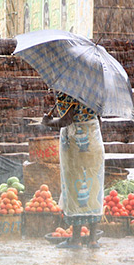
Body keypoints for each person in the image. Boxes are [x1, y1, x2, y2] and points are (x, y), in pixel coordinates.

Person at [42, 91, 104, 249]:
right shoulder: (94, 93)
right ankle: (93, 240)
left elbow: (66, 120)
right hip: (94, 140)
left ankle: (76, 239)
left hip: (76, 145)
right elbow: (98, 120)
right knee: (94, 188)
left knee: (75, 187)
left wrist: (48, 123)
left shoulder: (70, 92)